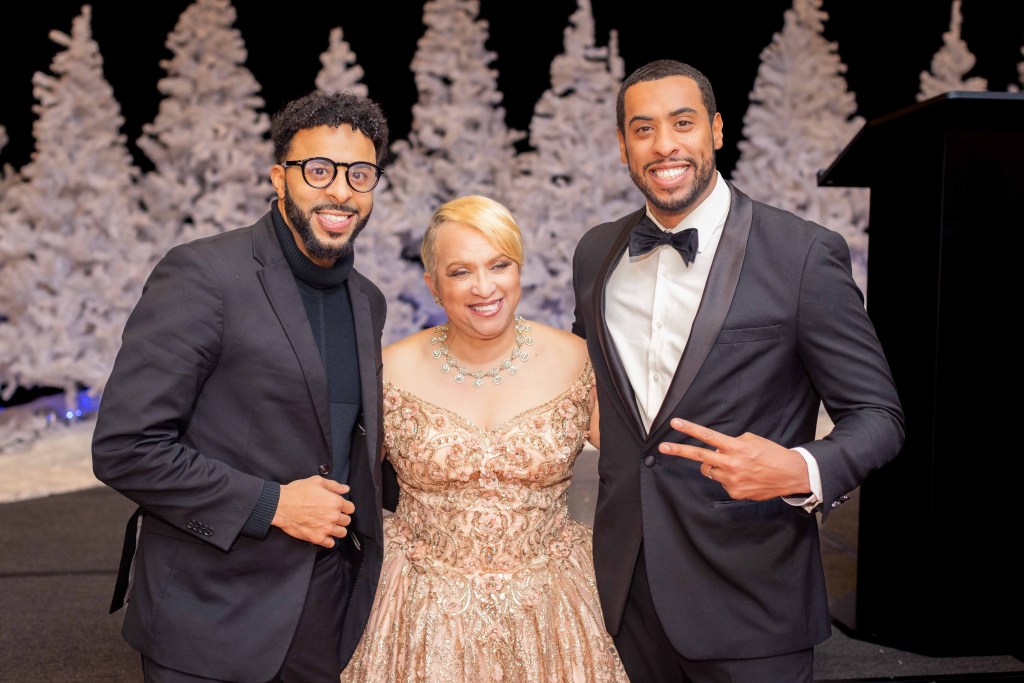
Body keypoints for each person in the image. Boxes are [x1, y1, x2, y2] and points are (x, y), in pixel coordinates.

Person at [571, 59, 906, 682]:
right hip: (626, 593)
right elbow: (588, 370)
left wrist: (801, 468)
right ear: (622, 145)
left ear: (717, 130)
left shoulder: (803, 254)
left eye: (683, 123)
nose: (664, 145)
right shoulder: (596, 252)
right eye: (643, 129)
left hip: (752, 596)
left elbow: (878, 417)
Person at [92, 90, 393, 682]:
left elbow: (341, 441)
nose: (341, 191)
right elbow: (126, 448)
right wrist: (272, 505)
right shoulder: (203, 274)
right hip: (210, 616)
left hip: (327, 615)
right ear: (280, 178)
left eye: (359, 174)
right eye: (319, 170)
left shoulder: (368, 301)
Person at [340, 195, 628, 682]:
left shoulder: (578, 359)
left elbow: (639, 470)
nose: (484, 287)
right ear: (433, 286)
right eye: (460, 272)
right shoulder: (388, 369)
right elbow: (343, 477)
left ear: (519, 270)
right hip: (419, 609)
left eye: (499, 265)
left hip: (551, 607)